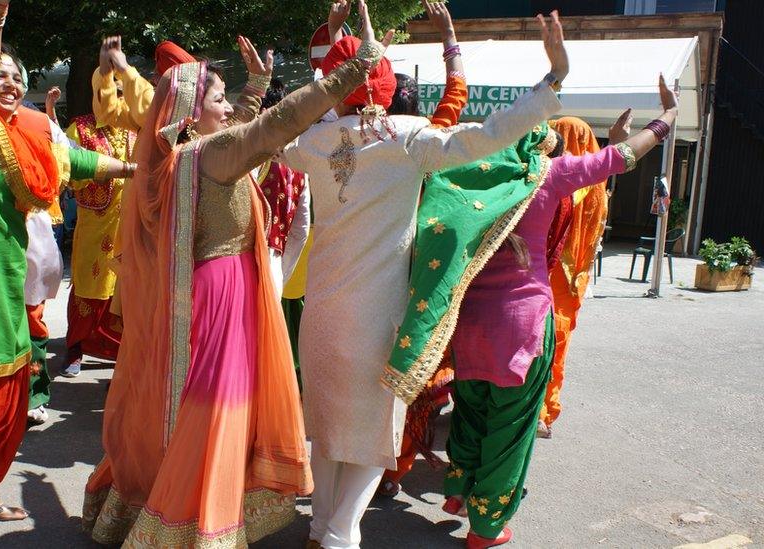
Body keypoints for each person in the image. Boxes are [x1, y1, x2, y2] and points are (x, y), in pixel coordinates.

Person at [82, 8, 394, 545]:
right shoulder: (214, 154)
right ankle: (203, 523)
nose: (229, 108)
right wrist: (355, 69)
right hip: (224, 293)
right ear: (191, 111)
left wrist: (254, 87)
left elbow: (241, 134)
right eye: (219, 99)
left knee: (193, 409)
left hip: (200, 292)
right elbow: (272, 127)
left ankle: (176, 510)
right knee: (218, 411)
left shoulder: (175, 156)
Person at [280, 1, 569, 544]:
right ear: (390, 85)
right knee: (372, 434)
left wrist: (337, 48)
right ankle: (340, 532)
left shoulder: (313, 143)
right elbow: (484, 137)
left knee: (325, 428)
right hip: (379, 314)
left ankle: (321, 525)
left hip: (321, 312)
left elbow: (298, 116)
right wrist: (550, 82)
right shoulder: (408, 138)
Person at [389, 75, 677, 547]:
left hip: (469, 325)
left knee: (472, 409)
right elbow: (622, 159)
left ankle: (458, 490)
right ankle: (486, 527)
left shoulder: (466, 176)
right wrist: (666, 118)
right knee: (511, 427)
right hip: (521, 327)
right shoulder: (547, 176)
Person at [0, 1, 133, 544]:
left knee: (13, 396)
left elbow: (77, 162)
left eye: (17, 77)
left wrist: (134, 166)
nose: (8, 83)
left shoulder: (32, 137)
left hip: (13, 283)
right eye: (0, 76)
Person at [377, 0, 468, 499]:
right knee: (416, 371)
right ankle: (395, 465)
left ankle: (369, 462)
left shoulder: (365, 141)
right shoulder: (431, 143)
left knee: (375, 374)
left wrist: (373, 55)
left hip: (373, 272)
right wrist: (448, 35)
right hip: (426, 278)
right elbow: (458, 91)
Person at [62, 35, 155, 377]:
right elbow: (70, 170)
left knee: (123, 290)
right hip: (95, 223)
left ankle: (117, 352)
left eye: (121, 85)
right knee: (88, 282)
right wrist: (102, 174)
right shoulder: (81, 127)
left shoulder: (138, 126)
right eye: (110, 84)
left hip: (129, 222)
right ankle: (75, 348)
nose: (117, 91)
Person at [537, 115, 616, 438]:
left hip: (538, 274)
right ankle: (543, 410)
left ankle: (532, 411)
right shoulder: (593, 185)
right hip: (568, 282)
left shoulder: (550, 175)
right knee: (555, 347)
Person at [256, 77, 310, 295]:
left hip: (241, 265)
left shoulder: (247, 156)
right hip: (274, 266)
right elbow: (301, 231)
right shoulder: (299, 163)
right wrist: (280, 270)